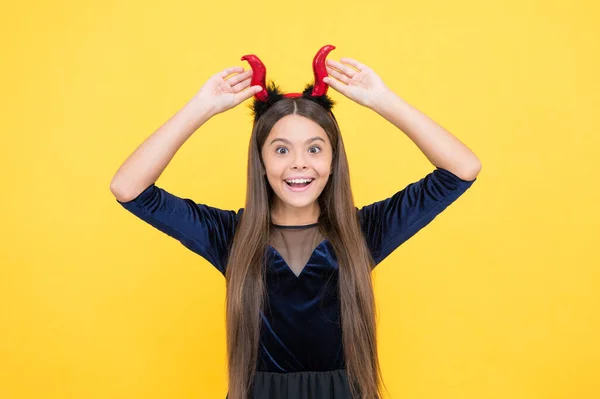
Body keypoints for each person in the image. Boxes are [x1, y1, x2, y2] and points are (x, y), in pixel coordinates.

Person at [110, 45, 481, 399]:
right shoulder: (230, 236)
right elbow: (128, 188)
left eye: (315, 148)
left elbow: (462, 169)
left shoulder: (365, 231)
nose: (299, 163)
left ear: (334, 161)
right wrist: (201, 108)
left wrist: (381, 100)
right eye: (282, 149)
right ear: (261, 161)